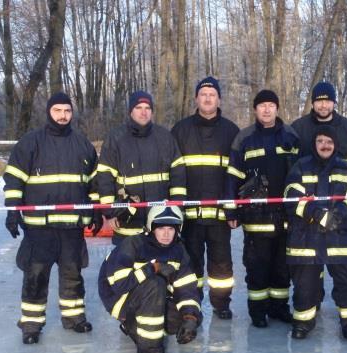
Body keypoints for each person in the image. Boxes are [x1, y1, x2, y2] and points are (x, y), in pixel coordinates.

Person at [3, 92, 101, 344]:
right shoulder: (30, 143)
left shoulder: (82, 144)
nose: (63, 115)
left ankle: (74, 318)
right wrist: (13, 211)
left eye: (67, 111)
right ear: (49, 112)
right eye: (57, 110)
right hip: (39, 227)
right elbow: (14, 178)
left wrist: (96, 211)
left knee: (72, 274)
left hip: (71, 226)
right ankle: (31, 325)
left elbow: (94, 184)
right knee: (36, 275)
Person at [225, 89, 300, 328]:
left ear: (277, 108)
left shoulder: (291, 136)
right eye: (262, 105)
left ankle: (279, 308)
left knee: (282, 268)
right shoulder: (244, 138)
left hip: (285, 217)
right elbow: (233, 177)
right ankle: (258, 311)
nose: (267, 110)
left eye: (271, 105)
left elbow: (301, 174)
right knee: (257, 266)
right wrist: (231, 209)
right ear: (255, 110)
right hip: (255, 217)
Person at [284, 125, 347, 344]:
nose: (325, 145)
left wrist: (339, 214)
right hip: (306, 237)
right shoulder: (301, 166)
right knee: (305, 285)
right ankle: (303, 322)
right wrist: (316, 213)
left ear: (335, 145)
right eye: (320, 141)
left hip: (337, 236)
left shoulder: (346, 168)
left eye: (329, 142)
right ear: (314, 144)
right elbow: (291, 197)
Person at [98, 206, 202, 353]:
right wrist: (153, 268)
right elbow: (120, 286)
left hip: (151, 297)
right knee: (156, 283)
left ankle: (133, 324)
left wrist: (190, 318)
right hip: (119, 298)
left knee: (178, 321)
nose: (166, 234)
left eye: (171, 229)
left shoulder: (179, 250)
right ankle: (149, 348)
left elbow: (187, 287)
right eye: (161, 228)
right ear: (151, 228)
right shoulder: (132, 244)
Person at [171, 77, 239, 320]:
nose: (208, 98)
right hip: (190, 216)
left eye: (212, 94)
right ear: (196, 99)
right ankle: (192, 304)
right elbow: (173, 170)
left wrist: (233, 210)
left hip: (220, 216)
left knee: (222, 266)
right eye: (203, 94)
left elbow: (236, 175)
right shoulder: (181, 130)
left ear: (219, 99)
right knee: (192, 265)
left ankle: (221, 304)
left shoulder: (231, 131)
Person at [292, 81, 347, 288]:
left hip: (342, 203)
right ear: (313, 103)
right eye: (319, 101)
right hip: (311, 206)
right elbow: (291, 166)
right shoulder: (299, 128)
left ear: (334, 103)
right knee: (311, 257)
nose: (323, 106)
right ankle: (312, 297)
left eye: (327, 101)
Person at [97, 90, 187, 245]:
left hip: (160, 223)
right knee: (125, 268)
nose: (143, 112)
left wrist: (176, 207)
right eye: (139, 107)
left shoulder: (165, 137)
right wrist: (110, 212)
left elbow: (178, 174)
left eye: (147, 108)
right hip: (126, 223)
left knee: (160, 267)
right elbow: (105, 177)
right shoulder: (116, 138)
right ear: (130, 110)